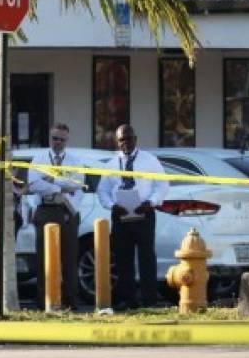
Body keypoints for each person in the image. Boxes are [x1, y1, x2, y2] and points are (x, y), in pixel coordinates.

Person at [96, 124, 169, 310]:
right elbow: (102, 191)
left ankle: (149, 299)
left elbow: (162, 185)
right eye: (121, 140)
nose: (125, 143)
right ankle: (128, 299)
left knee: (146, 257)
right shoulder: (111, 164)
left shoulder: (149, 160)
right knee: (123, 258)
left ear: (135, 139)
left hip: (144, 213)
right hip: (120, 216)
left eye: (128, 139)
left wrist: (151, 202)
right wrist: (112, 206)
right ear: (117, 142)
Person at [27, 122, 84, 308]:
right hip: (45, 211)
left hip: (67, 211)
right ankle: (44, 300)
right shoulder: (39, 158)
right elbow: (34, 184)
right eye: (54, 138)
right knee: (43, 259)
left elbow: (77, 184)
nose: (57, 142)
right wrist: (60, 186)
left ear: (67, 140)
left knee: (69, 259)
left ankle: (70, 301)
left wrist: (51, 180)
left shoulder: (75, 161)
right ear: (50, 138)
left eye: (61, 139)